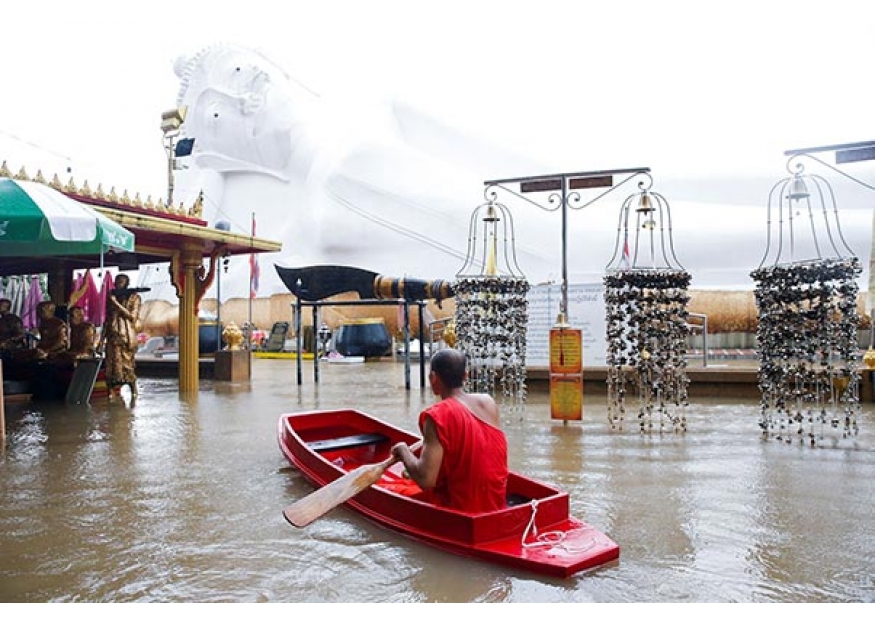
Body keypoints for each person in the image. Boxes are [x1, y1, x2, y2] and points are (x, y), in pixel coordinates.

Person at [391, 348, 508, 513]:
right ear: (465, 376)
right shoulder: (488, 402)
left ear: (433, 378)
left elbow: (426, 480)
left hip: (461, 512)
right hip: (496, 506)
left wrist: (403, 451)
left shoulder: (436, 416)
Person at [99, 273, 142, 399]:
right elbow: (107, 320)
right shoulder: (112, 297)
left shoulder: (134, 298)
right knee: (111, 367)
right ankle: (111, 392)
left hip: (125, 336)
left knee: (127, 365)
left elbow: (132, 316)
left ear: (127, 283)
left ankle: (132, 389)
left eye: (121, 282)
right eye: (117, 281)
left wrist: (116, 303)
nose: (118, 284)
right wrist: (101, 341)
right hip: (112, 336)